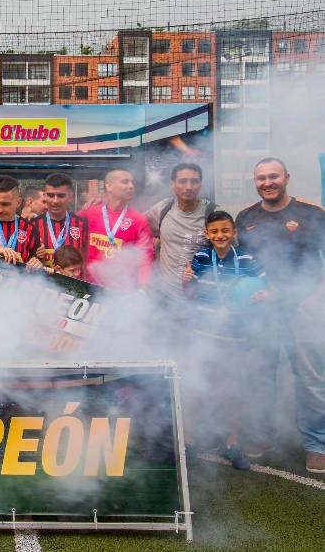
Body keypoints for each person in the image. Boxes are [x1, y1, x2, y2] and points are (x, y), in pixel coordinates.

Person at [235, 157, 325, 473]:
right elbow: (242, 265)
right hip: (262, 310)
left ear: (287, 177)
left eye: (273, 176)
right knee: (260, 375)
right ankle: (262, 435)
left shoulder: (313, 213)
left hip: (302, 308)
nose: (267, 182)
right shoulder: (245, 217)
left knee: (311, 378)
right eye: (261, 178)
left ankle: (317, 445)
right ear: (255, 181)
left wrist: (315, 297)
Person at [182, 211, 266, 470]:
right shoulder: (200, 257)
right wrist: (186, 281)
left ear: (234, 232)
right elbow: (189, 293)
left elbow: (266, 288)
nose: (220, 235)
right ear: (207, 234)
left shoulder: (246, 259)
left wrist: (261, 296)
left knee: (233, 390)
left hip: (235, 336)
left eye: (225, 230)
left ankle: (232, 444)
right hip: (202, 333)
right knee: (194, 386)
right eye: (215, 231)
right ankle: (188, 441)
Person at [145, 163, 218, 304]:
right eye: (183, 181)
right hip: (165, 298)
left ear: (200, 185)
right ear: (172, 184)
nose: (189, 186)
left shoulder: (212, 213)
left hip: (200, 299)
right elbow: (135, 225)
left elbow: (229, 253)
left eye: (194, 181)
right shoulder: (162, 208)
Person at [78, 169, 153, 289]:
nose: (131, 186)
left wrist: (143, 288)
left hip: (120, 291)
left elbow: (145, 258)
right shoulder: (89, 212)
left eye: (132, 182)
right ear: (109, 186)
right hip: (88, 286)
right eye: (125, 182)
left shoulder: (139, 220)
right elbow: (71, 237)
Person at [28, 173, 88, 269]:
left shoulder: (82, 224)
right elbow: (24, 261)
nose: (55, 201)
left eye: (61, 196)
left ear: (71, 197)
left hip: (72, 279)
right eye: (51, 195)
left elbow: (87, 262)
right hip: (41, 279)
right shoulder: (32, 225)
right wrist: (34, 260)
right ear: (45, 196)